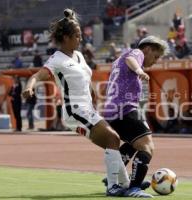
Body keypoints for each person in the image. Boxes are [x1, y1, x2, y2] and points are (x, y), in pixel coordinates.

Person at [22, 9, 130, 197]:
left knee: (111, 143)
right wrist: (29, 87)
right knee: (113, 138)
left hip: (87, 108)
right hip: (74, 110)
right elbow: (37, 75)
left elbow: (85, 78)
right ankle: (113, 187)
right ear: (65, 37)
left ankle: (125, 184)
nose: (80, 39)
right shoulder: (57, 59)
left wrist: (92, 92)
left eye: (80, 35)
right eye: (77, 36)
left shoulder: (78, 56)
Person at [103, 35, 169, 198]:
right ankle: (134, 187)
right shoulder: (136, 53)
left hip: (113, 111)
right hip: (125, 109)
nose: (155, 61)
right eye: (156, 56)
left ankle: (116, 176)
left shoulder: (117, 60)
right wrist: (139, 70)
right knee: (147, 146)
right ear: (147, 49)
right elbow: (132, 59)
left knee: (133, 144)